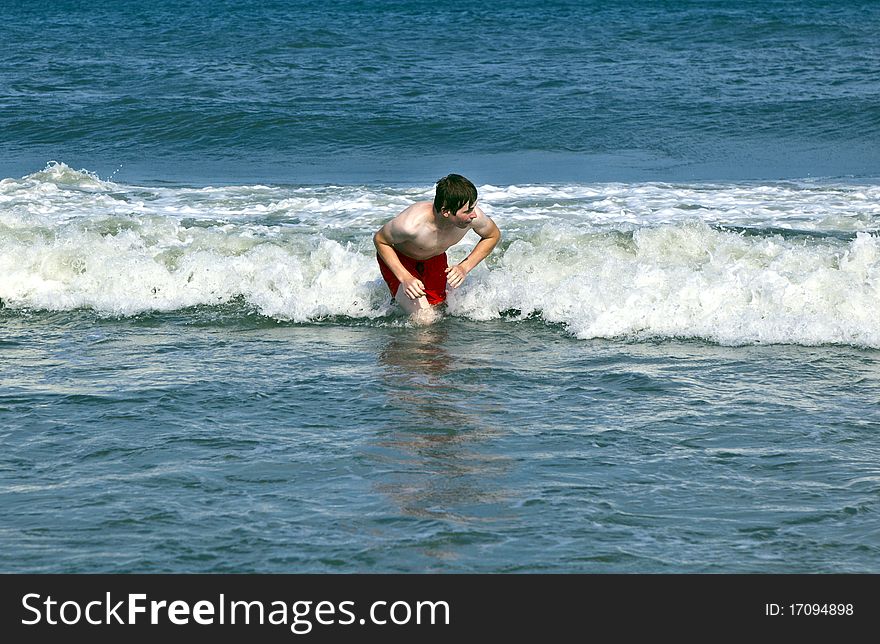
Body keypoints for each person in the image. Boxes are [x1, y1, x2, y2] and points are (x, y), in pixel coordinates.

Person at [374, 174, 501, 316]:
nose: (474, 215)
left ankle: (401, 301)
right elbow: (380, 240)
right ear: (446, 211)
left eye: (473, 207)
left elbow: (492, 235)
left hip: (435, 260)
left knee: (441, 310)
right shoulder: (411, 225)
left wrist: (464, 267)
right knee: (425, 318)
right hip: (402, 261)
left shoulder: (472, 219)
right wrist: (405, 277)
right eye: (467, 211)